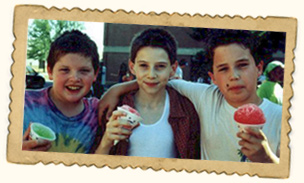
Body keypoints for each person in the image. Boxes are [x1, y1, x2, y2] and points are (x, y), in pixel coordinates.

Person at [98, 29, 281, 163]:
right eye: (223, 69)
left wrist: (266, 159)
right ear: (213, 78)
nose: (233, 76)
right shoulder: (206, 98)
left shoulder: (284, 119)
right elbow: (155, 81)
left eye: (242, 65)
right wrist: (116, 90)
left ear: (259, 68)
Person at [95, 28, 201, 159]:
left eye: (160, 66)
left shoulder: (187, 110)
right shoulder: (114, 108)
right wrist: (106, 142)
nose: (151, 75)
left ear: (173, 69)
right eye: (143, 66)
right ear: (132, 67)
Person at [22, 30, 101, 153]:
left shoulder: (97, 110)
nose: (74, 78)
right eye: (65, 70)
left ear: (95, 74)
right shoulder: (23, 103)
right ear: (50, 71)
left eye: (84, 70)